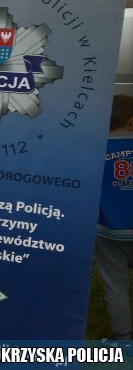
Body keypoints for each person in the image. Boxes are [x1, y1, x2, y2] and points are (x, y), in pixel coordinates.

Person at [95, 94, 133, 340]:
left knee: (115, 285)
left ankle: (124, 340)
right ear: (131, 121)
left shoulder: (94, 150)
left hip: (108, 231)